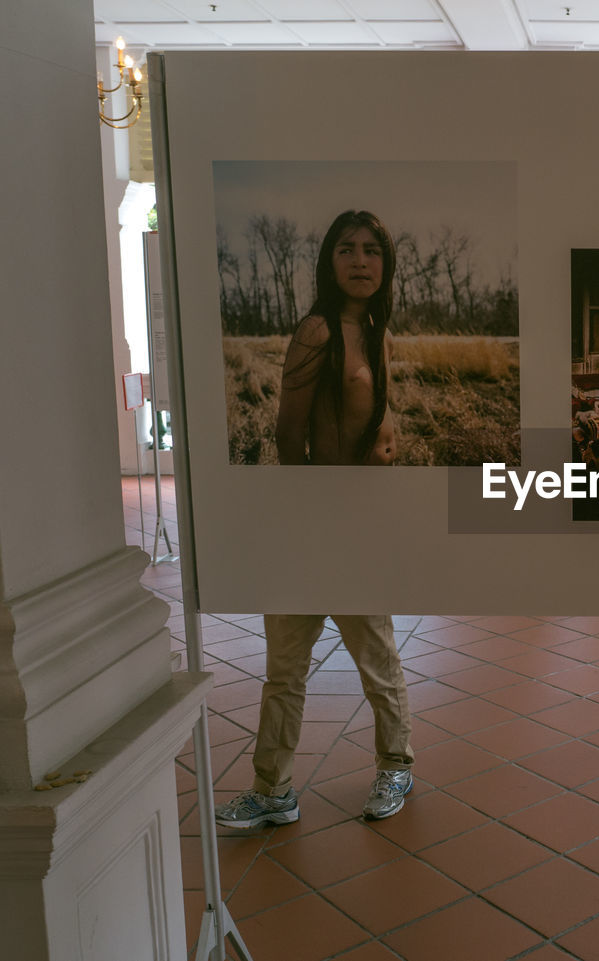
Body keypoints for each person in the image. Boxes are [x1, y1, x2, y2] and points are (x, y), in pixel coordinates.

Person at [215, 210, 415, 827]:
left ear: (385, 265)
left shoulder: (378, 330)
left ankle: (396, 768)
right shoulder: (317, 331)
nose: (361, 261)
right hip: (316, 524)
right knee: (285, 669)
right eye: (347, 250)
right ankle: (273, 792)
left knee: (378, 659)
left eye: (372, 251)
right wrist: (315, 524)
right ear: (330, 262)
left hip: (364, 520)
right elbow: (286, 433)